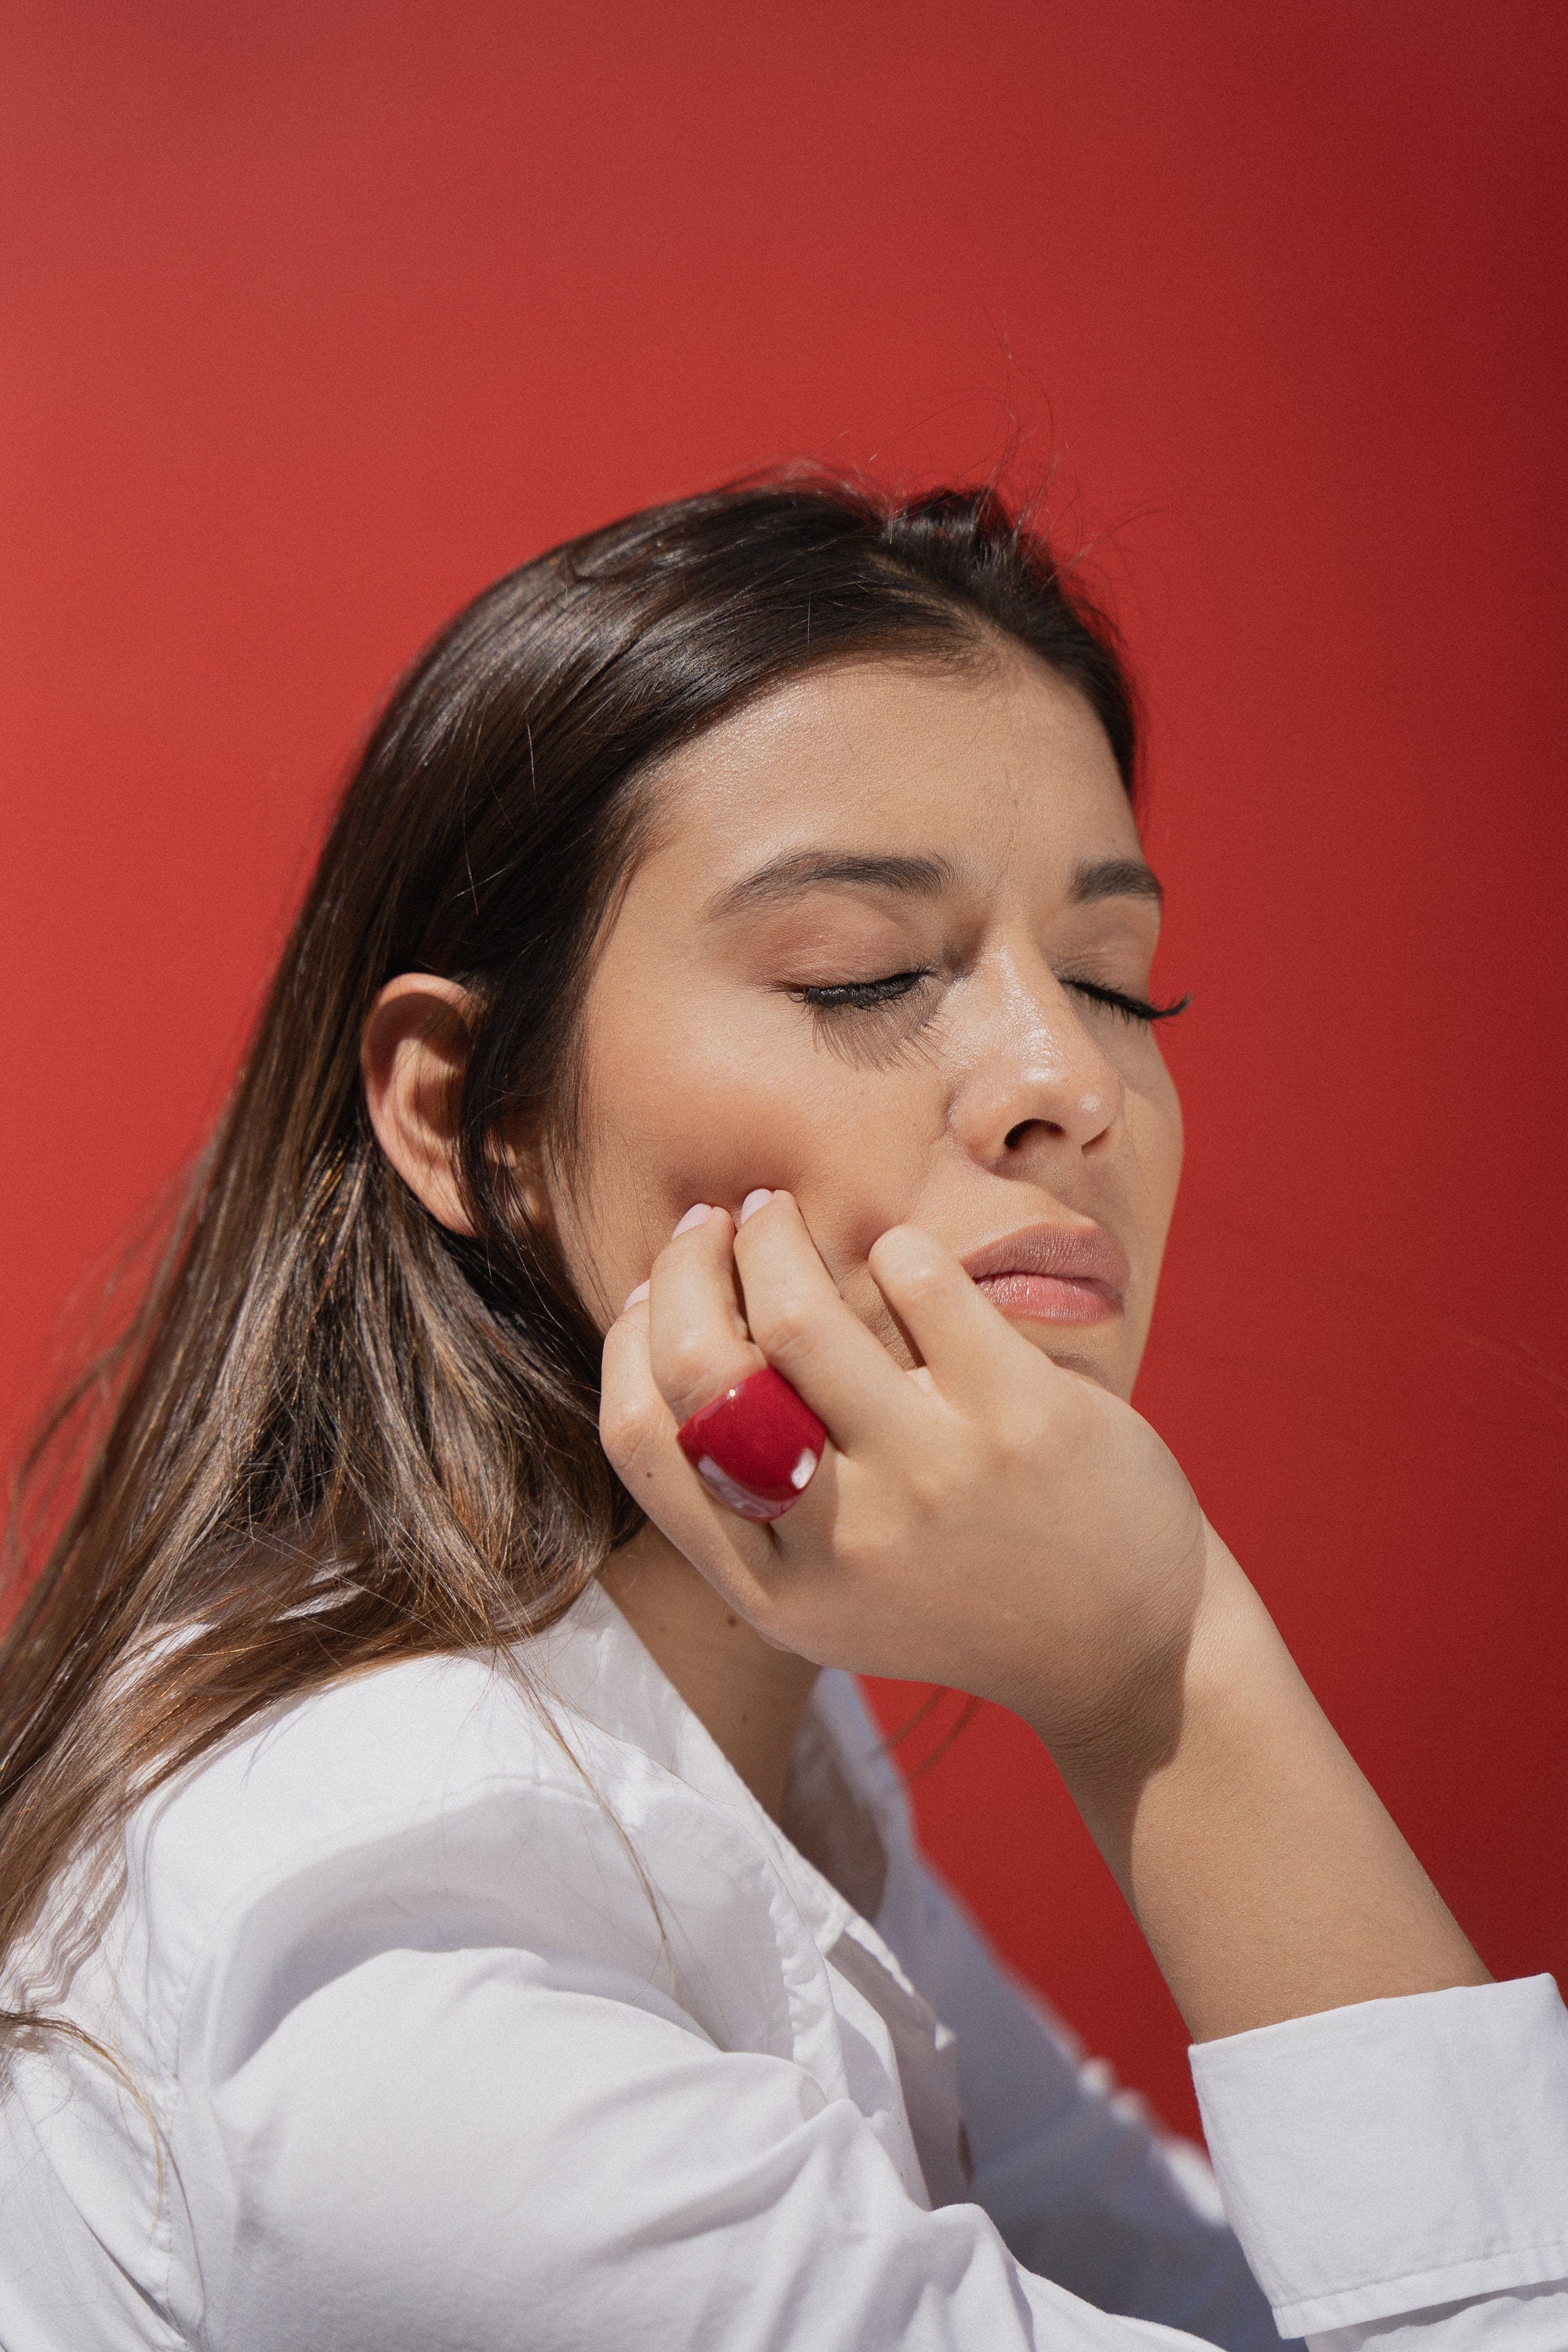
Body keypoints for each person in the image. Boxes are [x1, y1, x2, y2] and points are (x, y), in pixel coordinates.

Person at [1, 477, 1563, 2352]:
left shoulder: (742, 1726)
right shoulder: (390, 1962)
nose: (1062, 1081)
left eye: (1110, 980)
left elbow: (1180, 2267)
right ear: (464, 1116)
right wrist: (1169, 1680)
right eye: (867, 974)